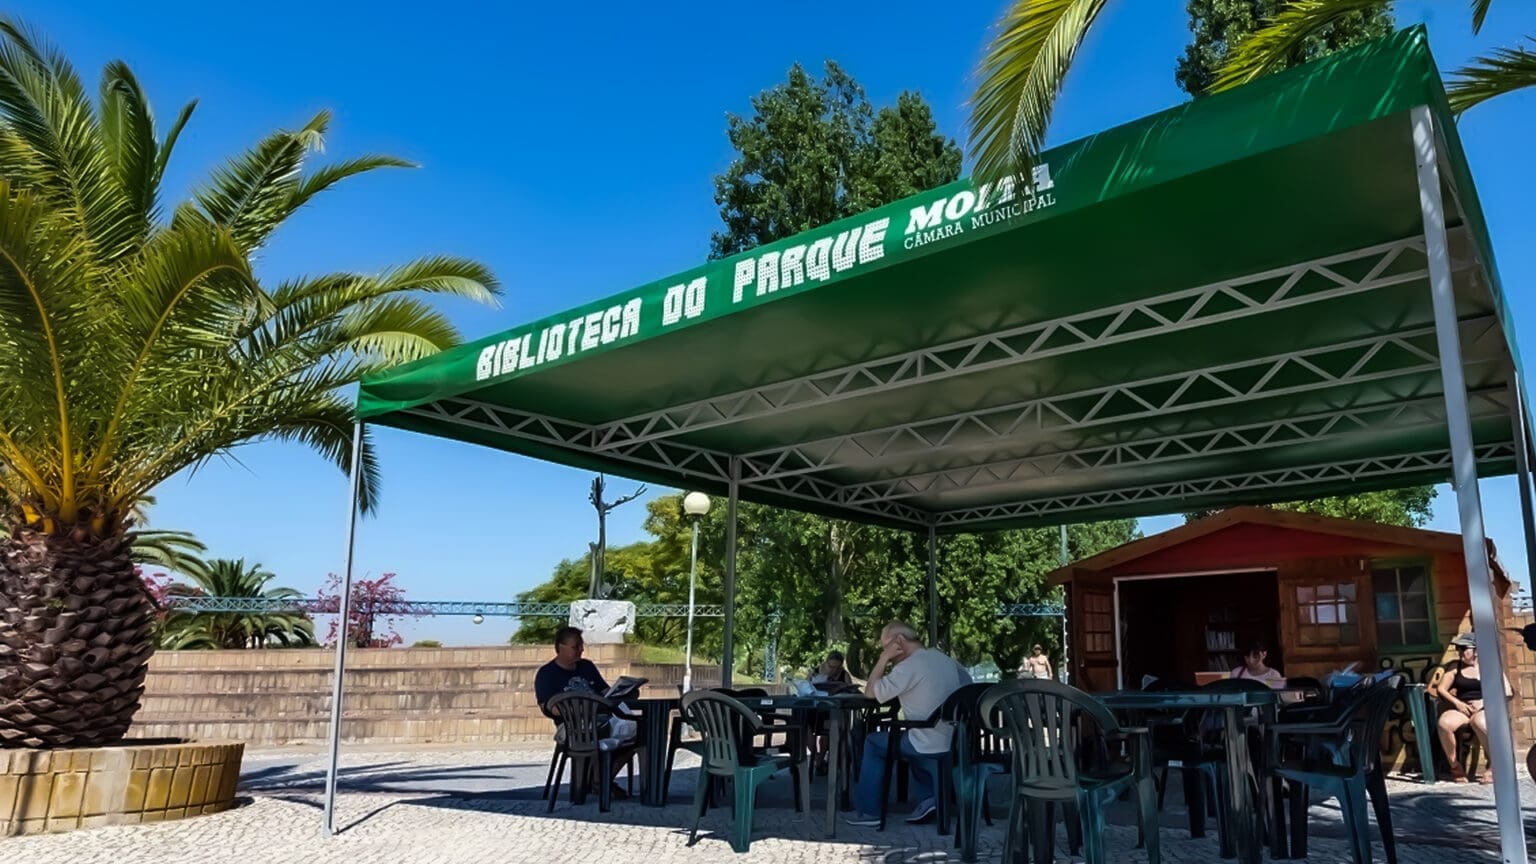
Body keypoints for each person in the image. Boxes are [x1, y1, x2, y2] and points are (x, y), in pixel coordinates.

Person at [846, 621, 969, 828]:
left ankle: (869, 811)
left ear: (899, 641)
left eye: (886, 646)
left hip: (927, 740)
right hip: (953, 738)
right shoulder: (944, 659)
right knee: (908, 736)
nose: (887, 652)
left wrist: (883, 659)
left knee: (874, 743)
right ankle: (928, 798)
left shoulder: (909, 666)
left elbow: (870, 693)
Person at [534, 626, 635, 794]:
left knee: (639, 735)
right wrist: (577, 710)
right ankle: (598, 782)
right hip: (570, 726)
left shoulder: (587, 666)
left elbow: (605, 692)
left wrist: (623, 692)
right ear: (561, 647)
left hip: (603, 719)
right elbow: (548, 706)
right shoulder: (547, 673)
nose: (581, 650)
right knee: (597, 731)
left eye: (581, 645)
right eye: (576, 646)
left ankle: (601, 779)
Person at [1431, 632, 1513, 784]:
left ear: (1476, 650)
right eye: (1458, 649)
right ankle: (1455, 766)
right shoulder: (1456, 666)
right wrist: (1458, 703)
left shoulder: (1489, 665)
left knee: (1479, 722)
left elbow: (1507, 691)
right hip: (1463, 707)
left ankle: (1494, 766)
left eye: (1463, 648)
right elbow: (1441, 689)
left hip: (1485, 707)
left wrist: (1484, 702)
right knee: (1444, 723)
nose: (1460, 652)